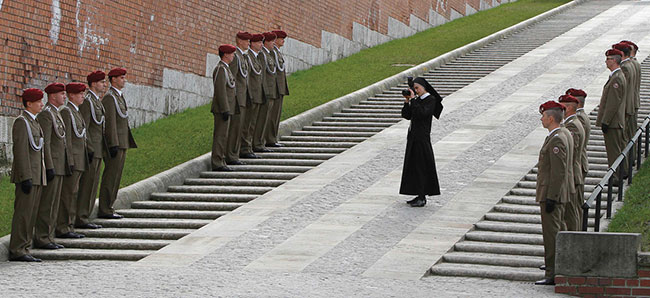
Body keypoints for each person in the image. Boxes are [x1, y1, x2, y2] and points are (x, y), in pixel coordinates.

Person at [9, 88, 47, 262]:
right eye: (38, 101)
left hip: (37, 174)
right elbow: (21, 151)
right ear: (29, 103)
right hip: (28, 175)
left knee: (31, 213)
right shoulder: (22, 122)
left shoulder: (34, 122)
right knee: (23, 213)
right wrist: (25, 176)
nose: (42, 104)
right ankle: (17, 249)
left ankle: (25, 246)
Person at [535, 101, 570, 286]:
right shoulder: (562, 133)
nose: (541, 119)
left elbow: (558, 171)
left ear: (550, 118)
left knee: (552, 236)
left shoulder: (557, 138)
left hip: (552, 195)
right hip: (556, 194)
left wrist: (551, 197)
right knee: (556, 233)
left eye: (543, 116)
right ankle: (556, 270)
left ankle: (553, 273)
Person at [33, 82, 69, 249]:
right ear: (53, 96)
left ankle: (49, 235)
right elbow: (46, 143)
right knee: (48, 203)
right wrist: (49, 166)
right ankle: (42, 237)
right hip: (52, 164)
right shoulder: (47, 115)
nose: (64, 96)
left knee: (54, 202)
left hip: (60, 164)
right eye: (62, 94)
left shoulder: (56, 113)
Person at [99, 67, 137, 218]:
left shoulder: (118, 96)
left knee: (116, 177)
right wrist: (113, 143)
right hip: (115, 144)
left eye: (124, 77)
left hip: (122, 142)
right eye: (121, 78)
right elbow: (110, 122)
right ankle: (105, 208)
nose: (124, 80)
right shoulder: (110, 98)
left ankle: (110, 206)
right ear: (113, 79)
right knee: (111, 176)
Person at [399, 77, 443, 207]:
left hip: (422, 138)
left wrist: (413, 100)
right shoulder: (417, 100)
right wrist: (407, 102)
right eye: (414, 88)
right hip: (413, 137)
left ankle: (422, 196)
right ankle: (417, 192)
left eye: (417, 88)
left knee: (421, 166)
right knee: (413, 166)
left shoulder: (430, 100)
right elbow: (407, 115)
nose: (415, 90)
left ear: (424, 88)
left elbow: (422, 114)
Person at [56, 82, 88, 238]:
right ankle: (63, 227)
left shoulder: (76, 111)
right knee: (68, 194)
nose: (83, 96)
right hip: (73, 161)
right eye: (80, 93)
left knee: (73, 193)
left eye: (83, 93)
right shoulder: (67, 112)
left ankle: (69, 225)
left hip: (79, 159)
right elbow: (67, 140)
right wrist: (69, 161)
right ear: (71, 95)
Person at [76, 70, 107, 229]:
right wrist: (88, 148)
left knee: (93, 184)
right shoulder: (88, 102)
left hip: (98, 148)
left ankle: (85, 215)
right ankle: (81, 216)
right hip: (92, 150)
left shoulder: (97, 101)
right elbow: (84, 127)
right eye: (101, 82)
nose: (104, 84)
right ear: (94, 83)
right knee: (87, 184)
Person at [596, 49, 627, 182]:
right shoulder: (616, 76)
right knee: (616, 149)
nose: (606, 62)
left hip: (613, 122)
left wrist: (606, 121)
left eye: (608, 59)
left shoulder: (617, 78)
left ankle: (616, 176)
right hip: (615, 121)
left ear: (614, 60)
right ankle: (621, 173)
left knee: (613, 151)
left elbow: (613, 103)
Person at [558, 95, 584, 231]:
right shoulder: (573, 122)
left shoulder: (572, 125)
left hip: (572, 174)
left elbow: (571, 152)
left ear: (568, 108)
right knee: (572, 212)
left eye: (561, 107)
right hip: (574, 172)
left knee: (570, 213)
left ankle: (574, 240)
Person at [226, 31, 252, 165]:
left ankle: (235, 154)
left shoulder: (242, 57)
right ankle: (231, 156)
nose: (248, 43)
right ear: (239, 41)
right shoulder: (235, 57)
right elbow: (233, 79)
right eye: (246, 40)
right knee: (235, 128)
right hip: (237, 99)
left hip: (243, 98)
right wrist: (234, 98)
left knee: (240, 127)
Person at [211, 44, 237, 171]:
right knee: (220, 136)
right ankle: (217, 162)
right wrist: (225, 108)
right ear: (225, 54)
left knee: (224, 135)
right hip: (222, 109)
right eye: (231, 53)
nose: (233, 56)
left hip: (227, 108)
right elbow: (220, 90)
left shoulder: (226, 68)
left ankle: (221, 160)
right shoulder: (221, 69)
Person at [240, 33, 265, 158]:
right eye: (259, 43)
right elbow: (248, 77)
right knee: (247, 124)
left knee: (252, 123)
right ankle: (245, 148)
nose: (261, 45)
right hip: (251, 95)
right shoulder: (248, 57)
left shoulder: (255, 57)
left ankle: (249, 147)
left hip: (257, 95)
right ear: (252, 44)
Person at [265, 30, 290, 148]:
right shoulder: (272, 53)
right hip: (274, 88)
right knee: (271, 115)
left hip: (279, 88)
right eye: (281, 38)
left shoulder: (277, 52)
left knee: (276, 115)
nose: (283, 40)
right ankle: (269, 139)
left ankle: (272, 138)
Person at [566, 88, 590, 205]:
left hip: (577, 164)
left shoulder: (577, 120)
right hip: (579, 163)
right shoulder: (580, 116)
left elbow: (574, 148)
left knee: (574, 206)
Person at [258, 32, 278, 150]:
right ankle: (258, 143)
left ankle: (262, 142)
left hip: (271, 91)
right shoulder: (262, 55)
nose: (273, 44)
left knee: (267, 118)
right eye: (271, 41)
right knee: (262, 119)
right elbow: (263, 76)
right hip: (266, 92)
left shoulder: (269, 54)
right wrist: (265, 92)